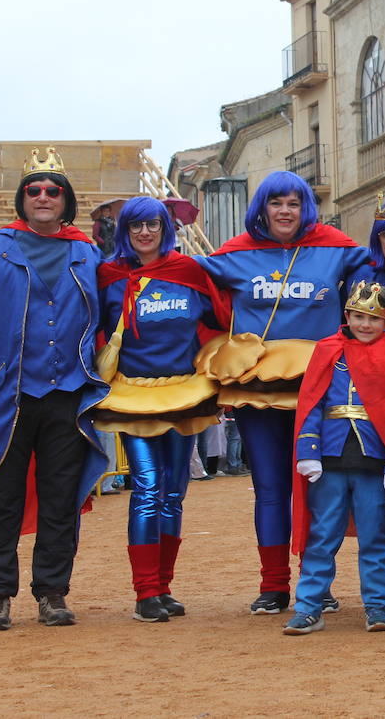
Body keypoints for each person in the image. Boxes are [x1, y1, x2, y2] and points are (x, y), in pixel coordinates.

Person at [196, 170, 371, 615]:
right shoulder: (233, 255)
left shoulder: (335, 249)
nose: (285, 211)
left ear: (305, 209)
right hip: (256, 394)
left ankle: (317, 585)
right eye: (277, 203)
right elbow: (187, 280)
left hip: (321, 391)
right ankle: (273, 585)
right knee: (270, 488)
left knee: (321, 488)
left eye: (294, 203)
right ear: (262, 208)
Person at [0, 148, 110, 630]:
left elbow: (113, 313)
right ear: (22, 200)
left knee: (61, 497)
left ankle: (52, 592)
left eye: (53, 191)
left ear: (67, 201)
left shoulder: (88, 253)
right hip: (7, 396)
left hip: (69, 393)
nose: (43, 197)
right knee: (2, 496)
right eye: (34, 190)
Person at [94, 196, 229, 623]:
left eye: (152, 224)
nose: (145, 233)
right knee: (149, 490)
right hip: (134, 396)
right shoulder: (108, 276)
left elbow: (222, 316)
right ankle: (144, 592)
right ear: (124, 231)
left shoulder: (189, 272)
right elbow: (93, 328)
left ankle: (164, 587)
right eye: (136, 226)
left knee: (175, 493)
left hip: (183, 394)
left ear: (164, 227)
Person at [285, 282, 385, 635]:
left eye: (373, 318)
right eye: (358, 316)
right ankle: (310, 605)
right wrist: (307, 452)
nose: (365, 324)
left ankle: (378, 606)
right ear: (347, 316)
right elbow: (313, 403)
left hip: (372, 461)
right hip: (329, 459)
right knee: (322, 535)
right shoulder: (328, 351)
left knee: (375, 536)